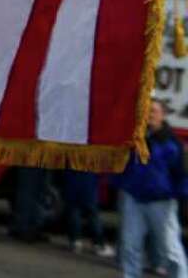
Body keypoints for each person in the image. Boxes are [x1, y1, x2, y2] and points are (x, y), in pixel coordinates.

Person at [114, 98, 188, 278]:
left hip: (161, 203)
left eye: (153, 111)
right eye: (146, 111)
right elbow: (123, 164)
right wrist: (122, 184)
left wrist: (181, 197)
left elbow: (181, 173)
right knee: (130, 246)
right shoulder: (136, 138)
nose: (149, 115)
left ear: (163, 115)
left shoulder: (172, 143)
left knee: (169, 249)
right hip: (134, 199)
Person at [59, 169, 114, 257]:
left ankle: (75, 241)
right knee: (92, 212)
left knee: (74, 209)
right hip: (88, 176)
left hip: (72, 177)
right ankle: (98, 243)